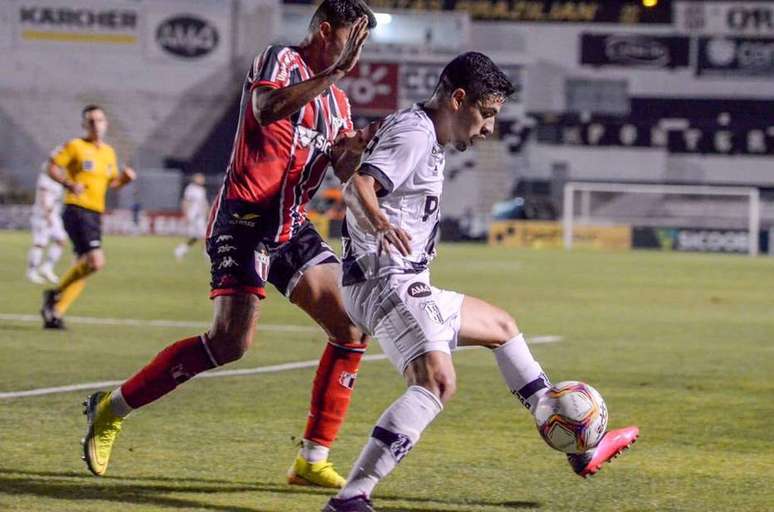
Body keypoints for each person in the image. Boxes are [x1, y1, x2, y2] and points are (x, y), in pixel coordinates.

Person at [79, 0, 379, 489]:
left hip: (290, 226)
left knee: (350, 327)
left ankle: (311, 458)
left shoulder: (339, 103)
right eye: (353, 39)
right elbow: (266, 109)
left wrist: (358, 149)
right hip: (243, 218)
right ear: (326, 31)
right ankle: (110, 408)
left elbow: (341, 171)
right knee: (230, 343)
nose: (358, 54)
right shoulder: (280, 60)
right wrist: (335, 73)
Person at [323, 52, 639, 512]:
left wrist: (351, 166)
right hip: (386, 280)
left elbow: (355, 174)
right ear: (457, 99)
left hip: (394, 278)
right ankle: (351, 498)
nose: (489, 128)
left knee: (501, 327)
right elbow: (358, 190)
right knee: (435, 384)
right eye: (486, 114)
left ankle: (580, 445)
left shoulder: (418, 130)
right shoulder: (414, 132)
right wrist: (380, 223)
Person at [41, 105, 137, 329]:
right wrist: (69, 183)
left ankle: (54, 313)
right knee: (95, 261)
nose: (96, 125)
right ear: (84, 125)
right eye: (91, 121)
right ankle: (53, 296)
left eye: (100, 120)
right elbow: (52, 167)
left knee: (82, 267)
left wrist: (125, 179)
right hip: (77, 209)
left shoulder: (108, 152)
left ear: (106, 124)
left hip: (95, 212)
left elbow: (111, 183)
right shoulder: (75, 146)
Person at [27, 163, 66, 284]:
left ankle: (47, 267)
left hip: (54, 215)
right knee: (40, 243)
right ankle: (31, 272)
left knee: (61, 240)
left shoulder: (58, 182)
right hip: (43, 215)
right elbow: (44, 198)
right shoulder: (45, 179)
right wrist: (47, 214)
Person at [174, 173, 209, 261]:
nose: (202, 180)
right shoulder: (190, 189)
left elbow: (203, 204)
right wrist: (186, 214)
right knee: (204, 235)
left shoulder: (202, 190)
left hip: (201, 216)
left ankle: (180, 250)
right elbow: (186, 201)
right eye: (200, 178)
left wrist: (206, 214)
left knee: (196, 236)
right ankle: (207, 254)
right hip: (194, 216)